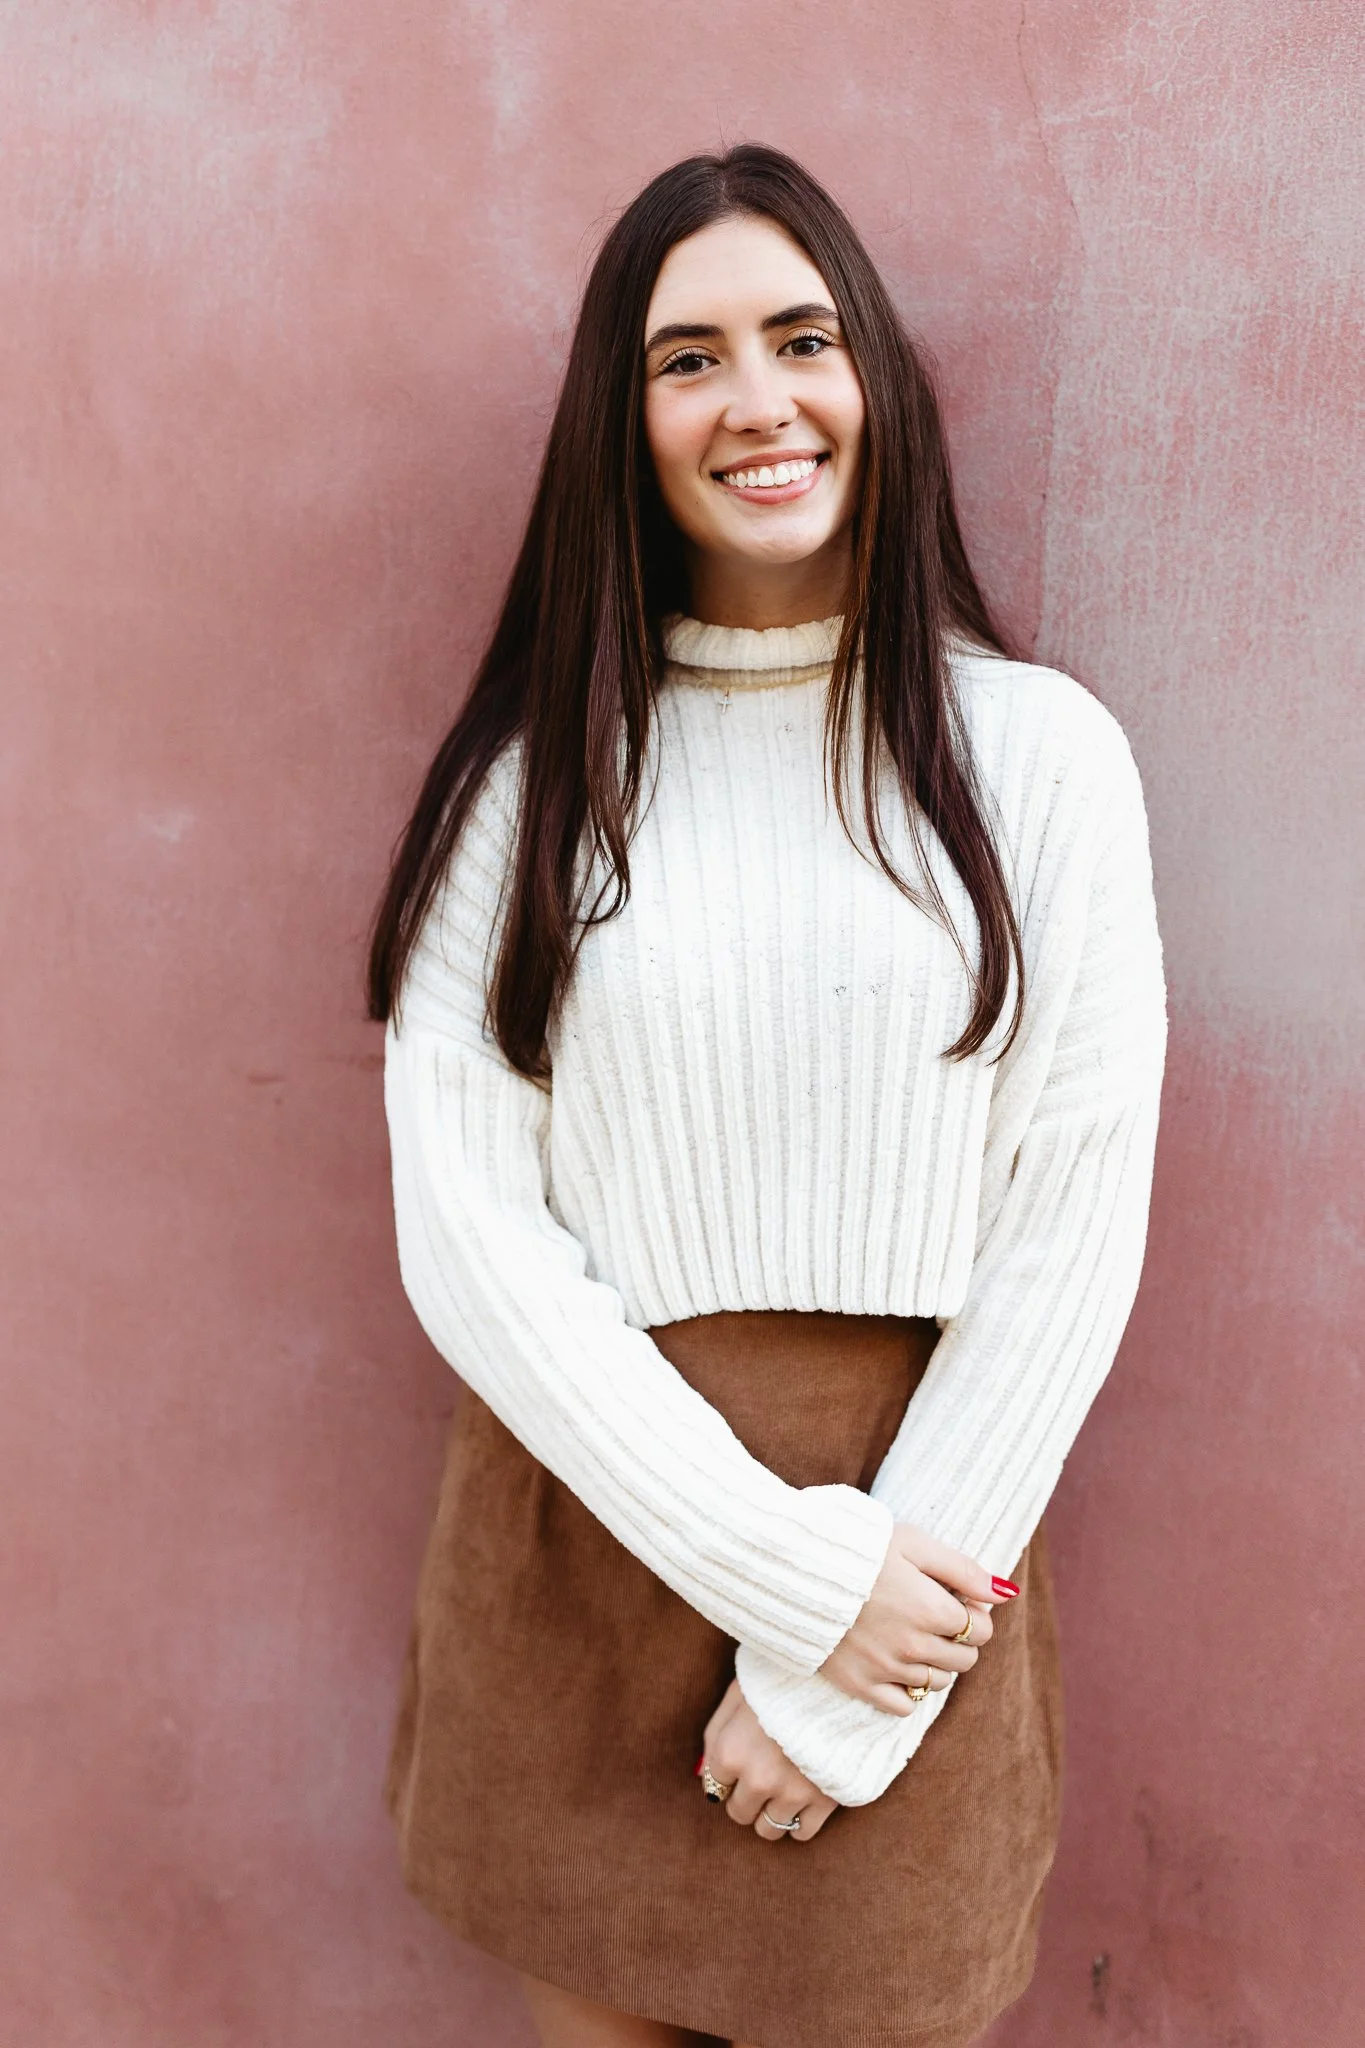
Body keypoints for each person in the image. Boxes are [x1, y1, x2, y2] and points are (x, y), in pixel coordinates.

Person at [367, 143, 1167, 2048]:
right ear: (622, 418)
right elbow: (469, 1231)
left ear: (873, 372)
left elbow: (1070, 1235)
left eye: (803, 339)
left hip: (922, 1565)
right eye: (689, 357)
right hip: (594, 1541)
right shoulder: (532, 787)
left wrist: (842, 1668)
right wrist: (785, 1575)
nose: (759, 400)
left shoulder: (1042, 761)